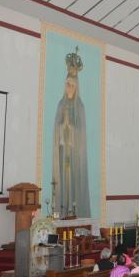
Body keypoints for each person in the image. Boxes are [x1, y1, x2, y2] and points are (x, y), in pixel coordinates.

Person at [52, 48, 91, 218]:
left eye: (72, 85)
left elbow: (81, 133)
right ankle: (61, 210)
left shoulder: (79, 106)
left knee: (73, 180)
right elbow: (56, 128)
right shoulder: (61, 104)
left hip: (74, 154)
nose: (68, 87)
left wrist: (71, 127)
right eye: (67, 84)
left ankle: (75, 210)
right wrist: (63, 126)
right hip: (63, 151)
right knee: (63, 180)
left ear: (76, 87)